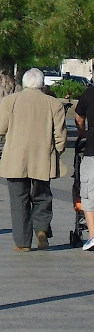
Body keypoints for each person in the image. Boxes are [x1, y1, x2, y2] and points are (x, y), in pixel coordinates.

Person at [0, 68, 67, 251]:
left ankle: (22, 242)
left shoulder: (10, 101)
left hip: (16, 159)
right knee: (42, 196)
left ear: (24, 83)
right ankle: (41, 229)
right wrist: (56, 151)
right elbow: (60, 136)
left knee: (19, 200)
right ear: (42, 84)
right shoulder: (54, 103)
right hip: (43, 157)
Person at [74, 83, 94, 251]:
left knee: (89, 194)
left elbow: (79, 118)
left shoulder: (89, 93)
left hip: (93, 150)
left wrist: (83, 133)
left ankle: (93, 235)